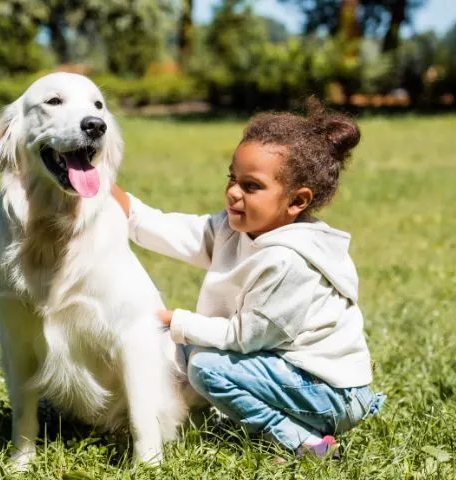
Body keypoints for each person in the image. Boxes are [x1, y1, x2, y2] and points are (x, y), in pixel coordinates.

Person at [111, 97, 385, 460]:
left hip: (331, 394)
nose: (233, 192)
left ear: (297, 201)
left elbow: (244, 337)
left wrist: (175, 320)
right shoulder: (234, 229)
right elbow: (169, 230)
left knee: (205, 365)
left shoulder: (288, 262)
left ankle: (302, 441)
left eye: (251, 186)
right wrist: (109, 193)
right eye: (232, 178)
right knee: (192, 350)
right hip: (288, 372)